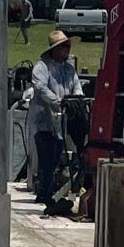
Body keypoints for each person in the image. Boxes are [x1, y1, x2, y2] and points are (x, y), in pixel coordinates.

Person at [29, 28, 83, 204]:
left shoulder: (69, 69)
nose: (67, 49)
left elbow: (77, 87)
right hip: (44, 120)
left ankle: (49, 192)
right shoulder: (42, 67)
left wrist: (77, 100)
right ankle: (43, 193)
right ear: (55, 49)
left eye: (68, 46)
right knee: (46, 158)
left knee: (57, 156)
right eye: (64, 46)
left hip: (61, 122)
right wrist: (59, 100)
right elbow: (40, 88)